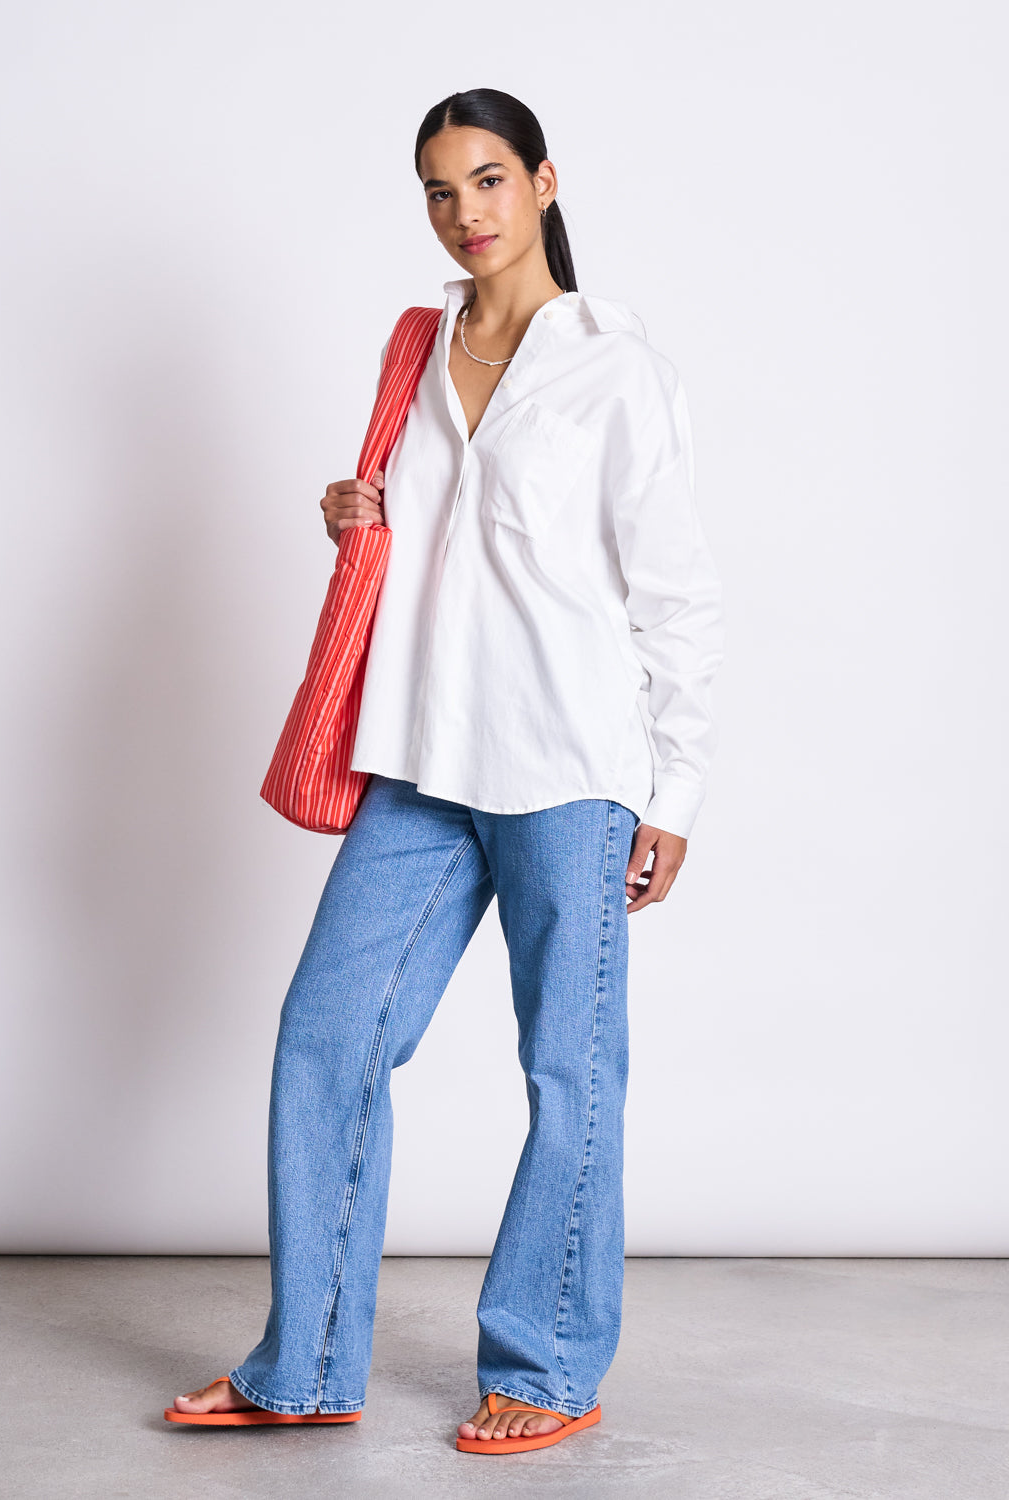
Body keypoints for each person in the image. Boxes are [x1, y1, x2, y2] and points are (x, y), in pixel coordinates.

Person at [166, 87, 725, 1455]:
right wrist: (357, 516)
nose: (464, 211)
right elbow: (436, 538)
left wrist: (677, 791)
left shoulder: (615, 367)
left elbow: (677, 596)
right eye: (437, 189)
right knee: (325, 1038)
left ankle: (547, 1365)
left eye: (486, 179)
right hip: (419, 757)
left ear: (543, 182)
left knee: (567, 1073)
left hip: (568, 765)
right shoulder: (416, 346)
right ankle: (305, 1365)